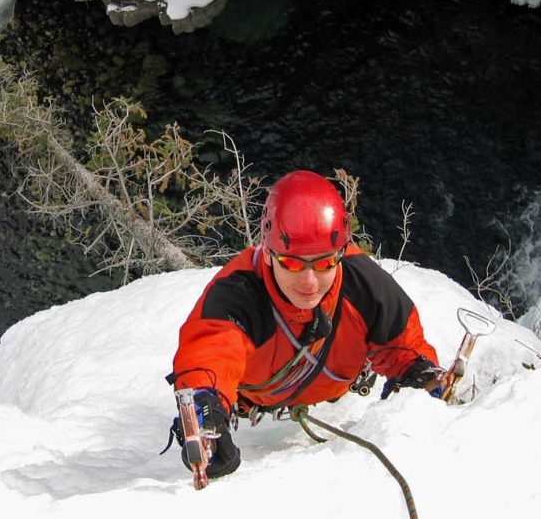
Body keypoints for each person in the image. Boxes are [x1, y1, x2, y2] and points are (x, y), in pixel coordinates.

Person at [164, 170, 444, 479]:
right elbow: (212, 350)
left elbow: (403, 345)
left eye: (324, 263)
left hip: (332, 388)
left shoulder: (362, 284)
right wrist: (206, 406)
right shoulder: (240, 293)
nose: (310, 282)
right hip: (257, 397)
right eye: (293, 264)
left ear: (340, 253)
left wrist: (419, 375)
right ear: (268, 254)